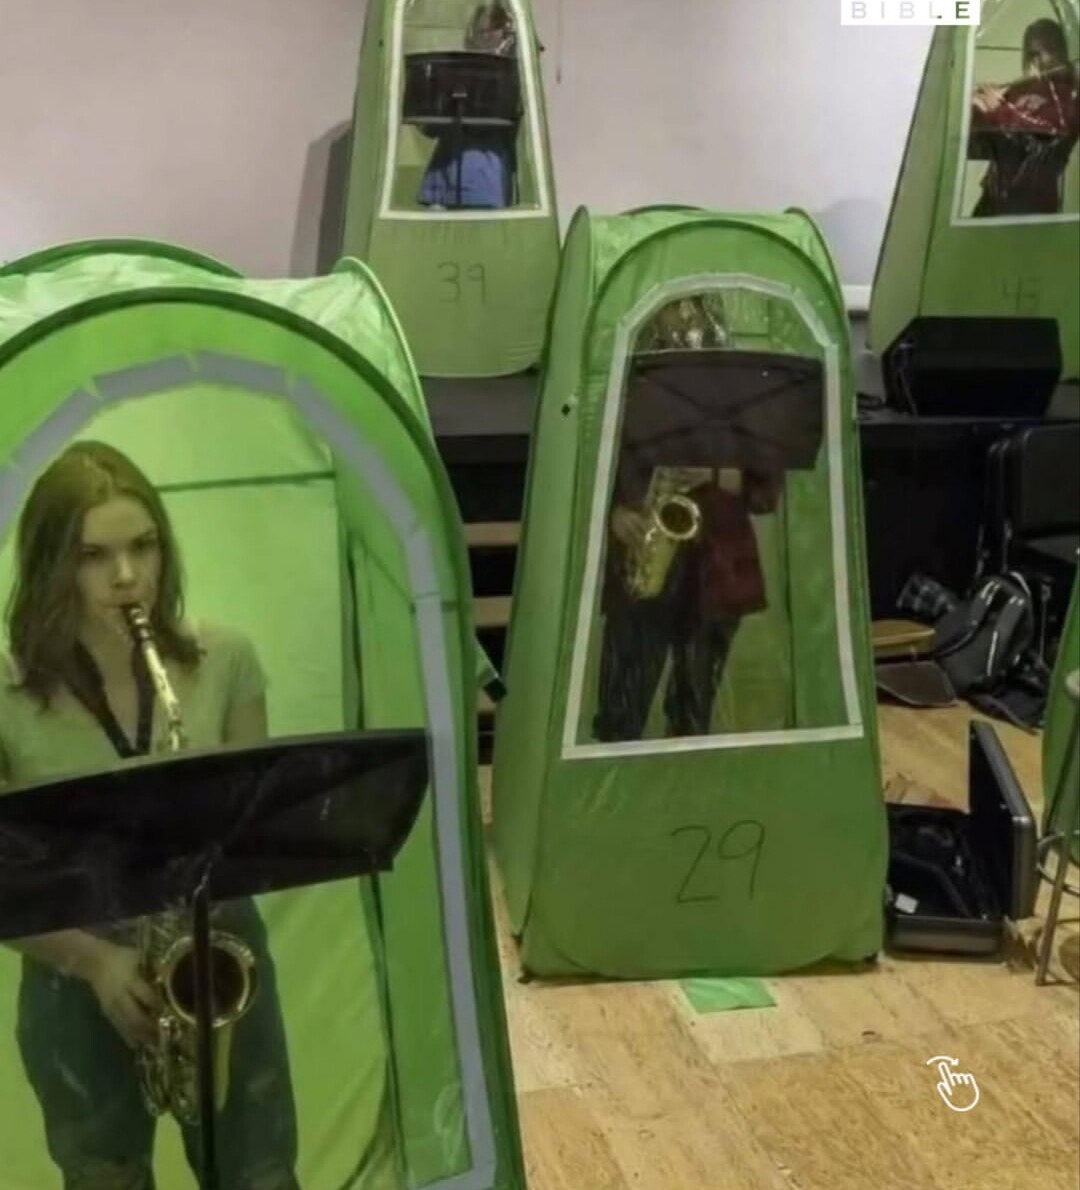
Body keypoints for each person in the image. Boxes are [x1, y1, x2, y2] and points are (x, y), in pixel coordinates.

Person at [0, 441, 300, 1189]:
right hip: (72, 967)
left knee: (261, 1175)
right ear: (49, 564)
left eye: (143, 546)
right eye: (93, 556)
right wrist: (94, 962)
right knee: (104, 1178)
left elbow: (247, 841)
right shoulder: (5, 691)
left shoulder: (226, 659)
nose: (127, 576)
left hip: (215, 946)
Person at [592, 299, 783, 743]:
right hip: (644, 556)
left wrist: (718, 474)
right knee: (621, 710)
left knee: (694, 715)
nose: (682, 318)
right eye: (672, 308)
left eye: (691, 307)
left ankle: (688, 784)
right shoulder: (626, 387)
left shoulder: (740, 397)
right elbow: (587, 472)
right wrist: (612, 514)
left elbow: (767, 490)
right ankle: (615, 782)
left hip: (715, 568)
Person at [968, 17, 1079, 217]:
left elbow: (1053, 131)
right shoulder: (1023, 91)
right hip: (994, 198)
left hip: (1030, 205)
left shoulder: (1070, 95)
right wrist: (975, 111)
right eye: (1030, 54)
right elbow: (996, 143)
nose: (1034, 62)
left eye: (1039, 53)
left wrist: (999, 109)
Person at [417, 3, 519, 210]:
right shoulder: (458, 71)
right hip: (444, 174)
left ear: (506, 34)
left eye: (492, 31)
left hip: (484, 177)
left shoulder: (511, 74)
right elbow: (430, 128)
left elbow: (499, 115)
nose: (485, 38)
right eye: (481, 32)